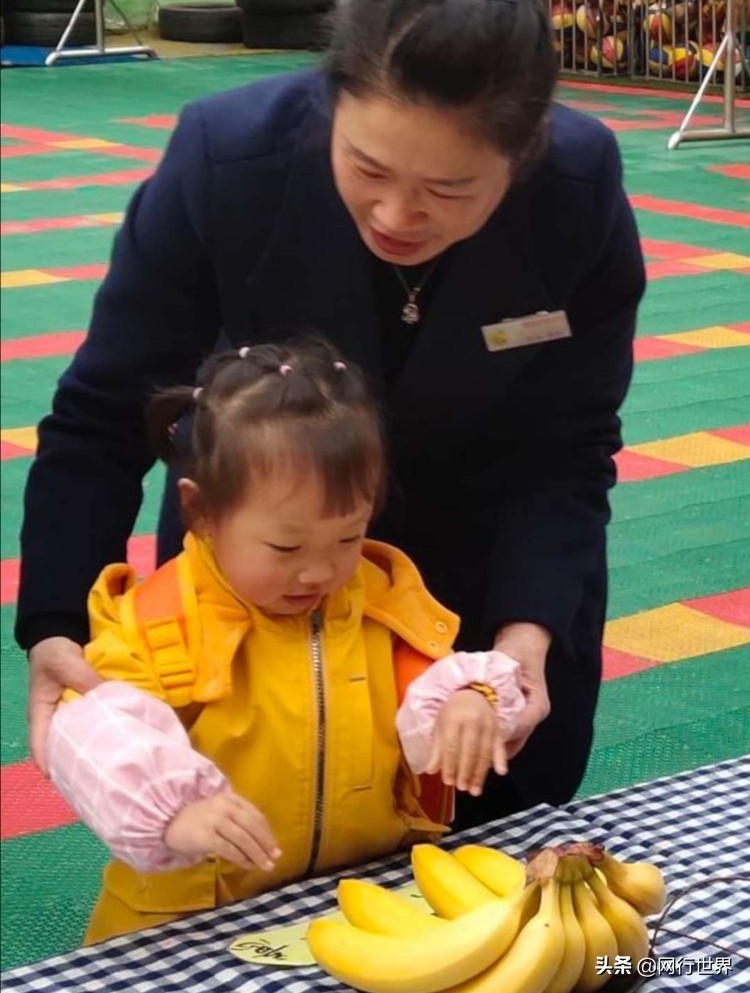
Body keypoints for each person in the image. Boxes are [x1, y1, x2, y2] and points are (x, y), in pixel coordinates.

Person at [17, 0, 646, 831]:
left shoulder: (574, 192)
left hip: (482, 585)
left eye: (449, 189)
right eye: (367, 168)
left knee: (500, 840)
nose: (396, 215)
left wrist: (525, 639)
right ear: (331, 103)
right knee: (239, 842)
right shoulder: (228, 161)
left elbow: (568, 446)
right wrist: (58, 623)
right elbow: (103, 412)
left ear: (525, 153)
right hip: (258, 572)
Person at [46, 336, 525, 942]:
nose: (319, 572)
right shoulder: (160, 622)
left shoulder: (381, 598)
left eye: (348, 538)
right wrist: (172, 812)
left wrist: (471, 701)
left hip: (362, 892)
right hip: (190, 914)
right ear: (201, 514)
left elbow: (430, 690)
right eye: (286, 546)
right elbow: (96, 733)